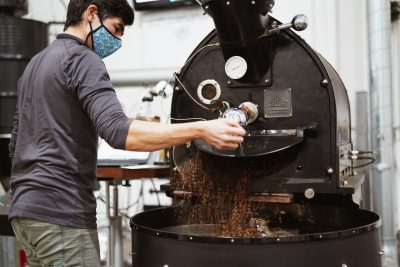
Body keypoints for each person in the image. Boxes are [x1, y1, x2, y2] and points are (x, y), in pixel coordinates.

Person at [8, 0, 245, 266]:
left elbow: (15, 144)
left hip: (25, 213)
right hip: (61, 212)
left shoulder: (35, 64)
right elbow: (119, 132)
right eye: (116, 28)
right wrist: (201, 129)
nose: (118, 40)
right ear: (91, 13)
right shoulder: (83, 59)